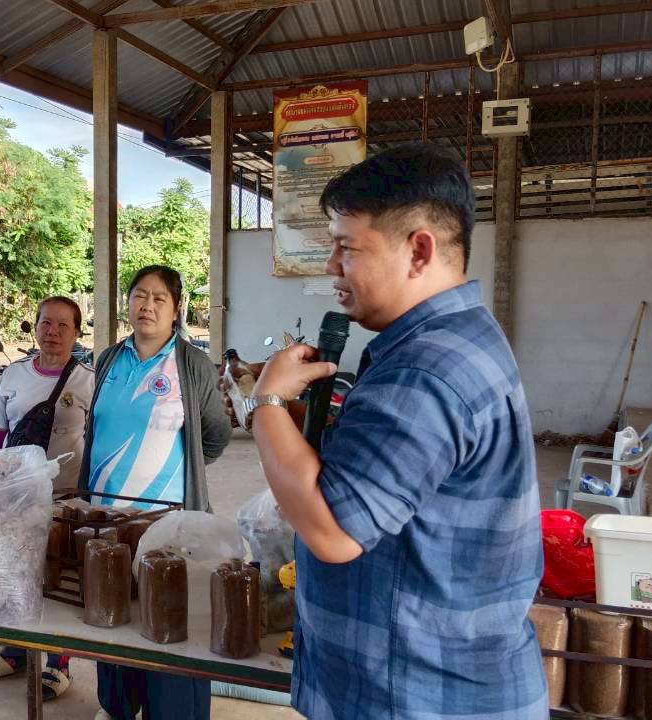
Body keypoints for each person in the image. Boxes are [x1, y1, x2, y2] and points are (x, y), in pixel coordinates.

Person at [245, 144, 547, 719]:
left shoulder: (424, 369)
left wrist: (266, 401)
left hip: (419, 696)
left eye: (347, 248)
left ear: (419, 250)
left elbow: (332, 532)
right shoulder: (458, 336)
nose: (332, 266)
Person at [79, 265, 231, 720]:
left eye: (159, 298)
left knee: (171, 621)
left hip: (170, 525)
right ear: (127, 302)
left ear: (176, 308)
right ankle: (118, 707)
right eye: (139, 296)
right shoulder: (107, 359)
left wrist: (176, 472)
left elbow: (215, 436)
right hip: (106, 520)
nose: (147, 305)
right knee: (113, 617)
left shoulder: (192, 364)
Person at [0, 296, 94, 700]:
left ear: (77, 333)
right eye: (46, 323)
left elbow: (95, 441)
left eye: (64, 325)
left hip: (66, 498)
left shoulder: (88, 380)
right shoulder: (14, 375)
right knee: (15, 577)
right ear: (36, 327)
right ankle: (15, 650)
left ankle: (59, 662)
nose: (54, 332)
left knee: (59, 577)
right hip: (16, 498)